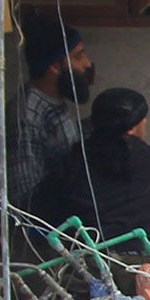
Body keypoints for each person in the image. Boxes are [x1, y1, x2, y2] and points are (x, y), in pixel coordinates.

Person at [33, 88, 150, 245]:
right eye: (143, 119)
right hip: (137, 263)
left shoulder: (71, 158)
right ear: (132, 128)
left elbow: (43, 206)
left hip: (80, 260)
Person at [11, 17, 94, 214]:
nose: (87, 64)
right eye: (78, 56)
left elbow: (61, 143)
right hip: (44, 239)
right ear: (55, 67)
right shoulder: (27, 115)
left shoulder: (52, 99)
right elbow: (23, 200)